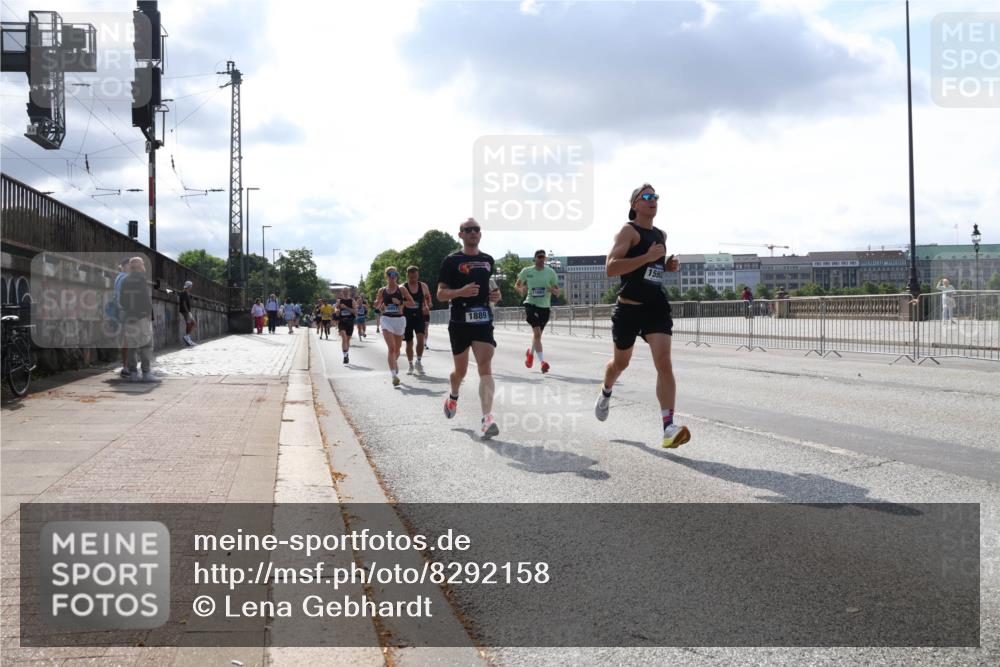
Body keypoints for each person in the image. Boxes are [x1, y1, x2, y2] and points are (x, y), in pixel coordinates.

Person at [594, 184, 689, 449]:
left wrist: (666, 266)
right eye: (647, 196)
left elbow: (651, 269)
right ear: (635, 204)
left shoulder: (661, 234)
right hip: (629, 308)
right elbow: (611, 268)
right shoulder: (628, 231)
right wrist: (648, 256)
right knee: (620, 363)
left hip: (655, 306)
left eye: (655, 196)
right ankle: (606, 390)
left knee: (664, 362)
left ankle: (668, 427)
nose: (653, 200)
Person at [437, 218, 502, 439]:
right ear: (461, 235)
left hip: (483, 319)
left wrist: (496, 295)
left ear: (480, 234)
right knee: (461, 372)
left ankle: (487, 418)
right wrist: (460, 292)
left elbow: (492, 288)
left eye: (476, 229)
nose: (473, 232)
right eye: (468, 229)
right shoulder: (451, 261)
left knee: (485, 367)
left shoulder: (487, 260)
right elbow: (440, 294)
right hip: (459, 322)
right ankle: (453, 395)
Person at [515, 249, 560, 373]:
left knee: (537, 335)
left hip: (545, 307)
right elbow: (517, 285)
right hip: (530, 304)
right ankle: (542, 362)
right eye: (539, 257)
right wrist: (521, 289)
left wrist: (553, 290)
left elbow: (557, 292)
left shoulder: (550, 272)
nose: (541, 259)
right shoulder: (527, 271)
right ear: (535, 258)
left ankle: (530, 354)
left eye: (543, 257)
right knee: (537, 333)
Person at [118, 257, 160, 383]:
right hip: (141, 317)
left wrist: (129, 311)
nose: (144, 266)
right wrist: (147, 313)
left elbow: (121, 300)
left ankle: (133, 374)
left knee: (132, 346)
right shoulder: (141, 279)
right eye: (142, 264)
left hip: (129, 317)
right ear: (139, 266)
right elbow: (145, 298)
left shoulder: (125, 281)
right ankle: (146, 373)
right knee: (146, 345)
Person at [375, 266, 417, 386]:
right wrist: (378, 304)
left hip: (399, 320)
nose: (393, 276)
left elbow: (412, 303)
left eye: (395, 274)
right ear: (386, 276)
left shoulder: (401, 289)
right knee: (392, 348)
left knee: (397, 349)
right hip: (386, 319)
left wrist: (400, 302)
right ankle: (394, 376)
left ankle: (394, 361)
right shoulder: (382, 291)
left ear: (397, 276)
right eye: (390, 274)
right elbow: (377, 305)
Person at [403, 266, 432, 375]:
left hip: (419, 317)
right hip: (407, 318)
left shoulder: (423, 286)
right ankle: (410, 364)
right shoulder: (403, 287)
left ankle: (418, 362)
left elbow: (427, 297)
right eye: (411, 277)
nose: (414, 279)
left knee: (421, 340)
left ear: (418, 275)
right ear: (407, 276)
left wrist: (427, 305)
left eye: (415, 277)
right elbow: (399, 303)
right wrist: (406, 303)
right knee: (409, 343)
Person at [336, 287, 356, 364]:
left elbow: (355, 312)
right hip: (342, 321)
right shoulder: (339, 301)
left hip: (350, 322)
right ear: (342, 292)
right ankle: (345, 356)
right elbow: (336, 308)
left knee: (347, 340)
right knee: (344, 338)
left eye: (346, 291)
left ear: (349, 292)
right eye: (344, 291)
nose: (345, 293)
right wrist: (337, 311)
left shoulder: (352, 301)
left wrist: (346, 307)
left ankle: (346, 353)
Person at [179, 280, 197, 345]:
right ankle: (187, 337)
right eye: (191, 286)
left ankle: (187, 336)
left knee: (193, 323)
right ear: (189, 286)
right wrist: (187, 312)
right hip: (185, 311)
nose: (191, 287)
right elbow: (184, 303)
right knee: (189, 323)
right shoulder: (184, 293)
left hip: (187, 311)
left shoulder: (187, 293)